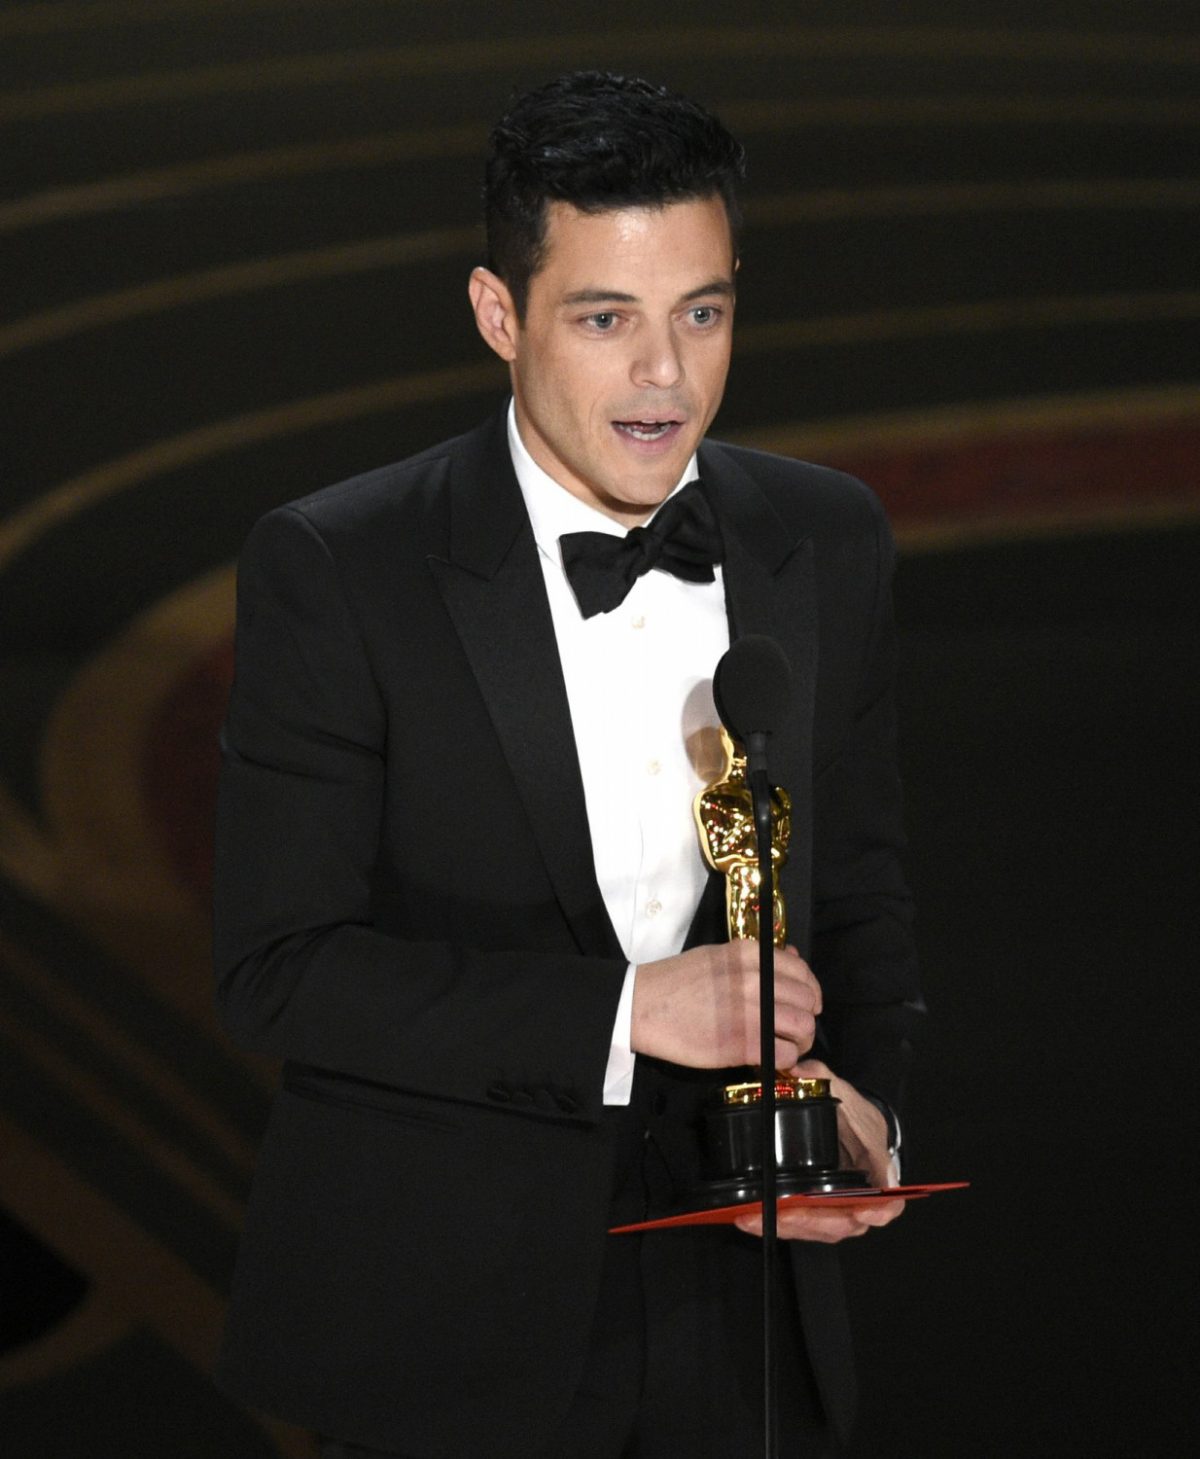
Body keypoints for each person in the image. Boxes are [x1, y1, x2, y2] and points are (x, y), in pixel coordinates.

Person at [213, 71, 922, 1459]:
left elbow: (865, 890)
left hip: (746, 1315)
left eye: (700, 312)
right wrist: (624, 1013)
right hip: (447, 1334)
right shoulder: (342, 566)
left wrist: (867, 1111)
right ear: (500, 315)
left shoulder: (824, 538)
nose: (665, 376)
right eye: (607, 318)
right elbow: (279, 968)